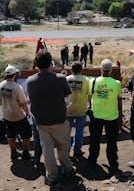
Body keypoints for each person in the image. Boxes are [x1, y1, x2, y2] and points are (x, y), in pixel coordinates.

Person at [27, 52, 76, 187]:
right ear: (50, 63)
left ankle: (52, 176)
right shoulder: (60, 79)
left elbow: (32, 98)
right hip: (59, 119)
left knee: (47, 150)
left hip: (41, 121)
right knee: (63, 146)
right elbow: (68, 97)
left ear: (37, 64)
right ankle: (67, 169)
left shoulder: (30, 81)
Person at [87, 59, 122, 176]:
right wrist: (120, 117)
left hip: (96, 115)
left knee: (94, 140)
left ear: (101, 69)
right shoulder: (117, 83)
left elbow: (89, 97)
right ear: (111, 70)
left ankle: (92, 161)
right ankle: (112, 163)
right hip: (112, 116)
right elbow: (119, 100)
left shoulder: (92, 81)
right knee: (111, 141)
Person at [0, 65, 32, 161]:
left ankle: (13, 153)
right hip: (18, 116)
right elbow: (22, 103)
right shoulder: (17, 87)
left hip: (6, 115)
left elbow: (1, 100)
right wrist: (27, 112)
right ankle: (25, 153)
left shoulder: (1, 85)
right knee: (27, 135)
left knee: (10, 135)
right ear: (15, 75)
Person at [66, 62, 89, 157]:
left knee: (66, 132)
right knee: (79, 131)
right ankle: (77, 150)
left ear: (71, 70)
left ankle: (66, 150)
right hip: (81, 108)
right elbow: (88, 93)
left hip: (68, 109)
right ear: (81, 70)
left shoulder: (66, 79)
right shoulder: (86, 80)